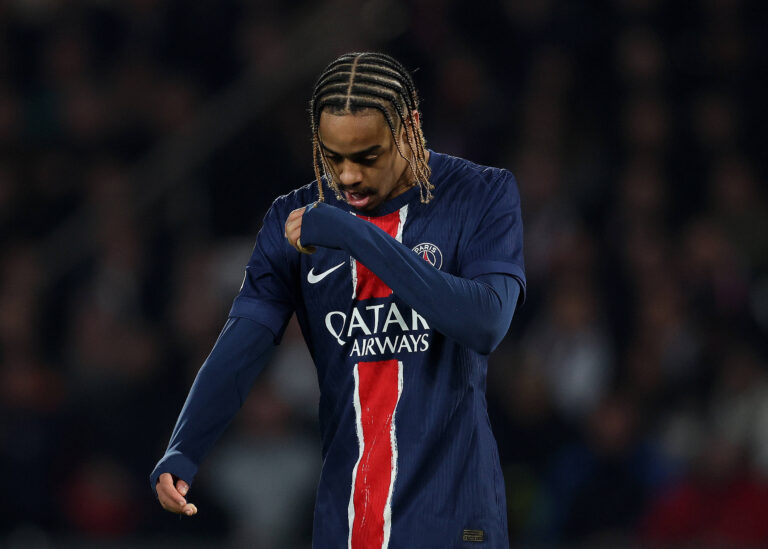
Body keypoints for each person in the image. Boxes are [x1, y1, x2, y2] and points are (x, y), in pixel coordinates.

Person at [150, 51, 526, 549]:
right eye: (333, 156)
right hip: (345, 523)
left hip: (454, 520)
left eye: (367, 156)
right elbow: (244, 340)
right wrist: (184, 446)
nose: (347, 177)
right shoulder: (292, 218)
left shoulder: (482, 193)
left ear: (411, 127)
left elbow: (486, 322)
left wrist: (353, 235)